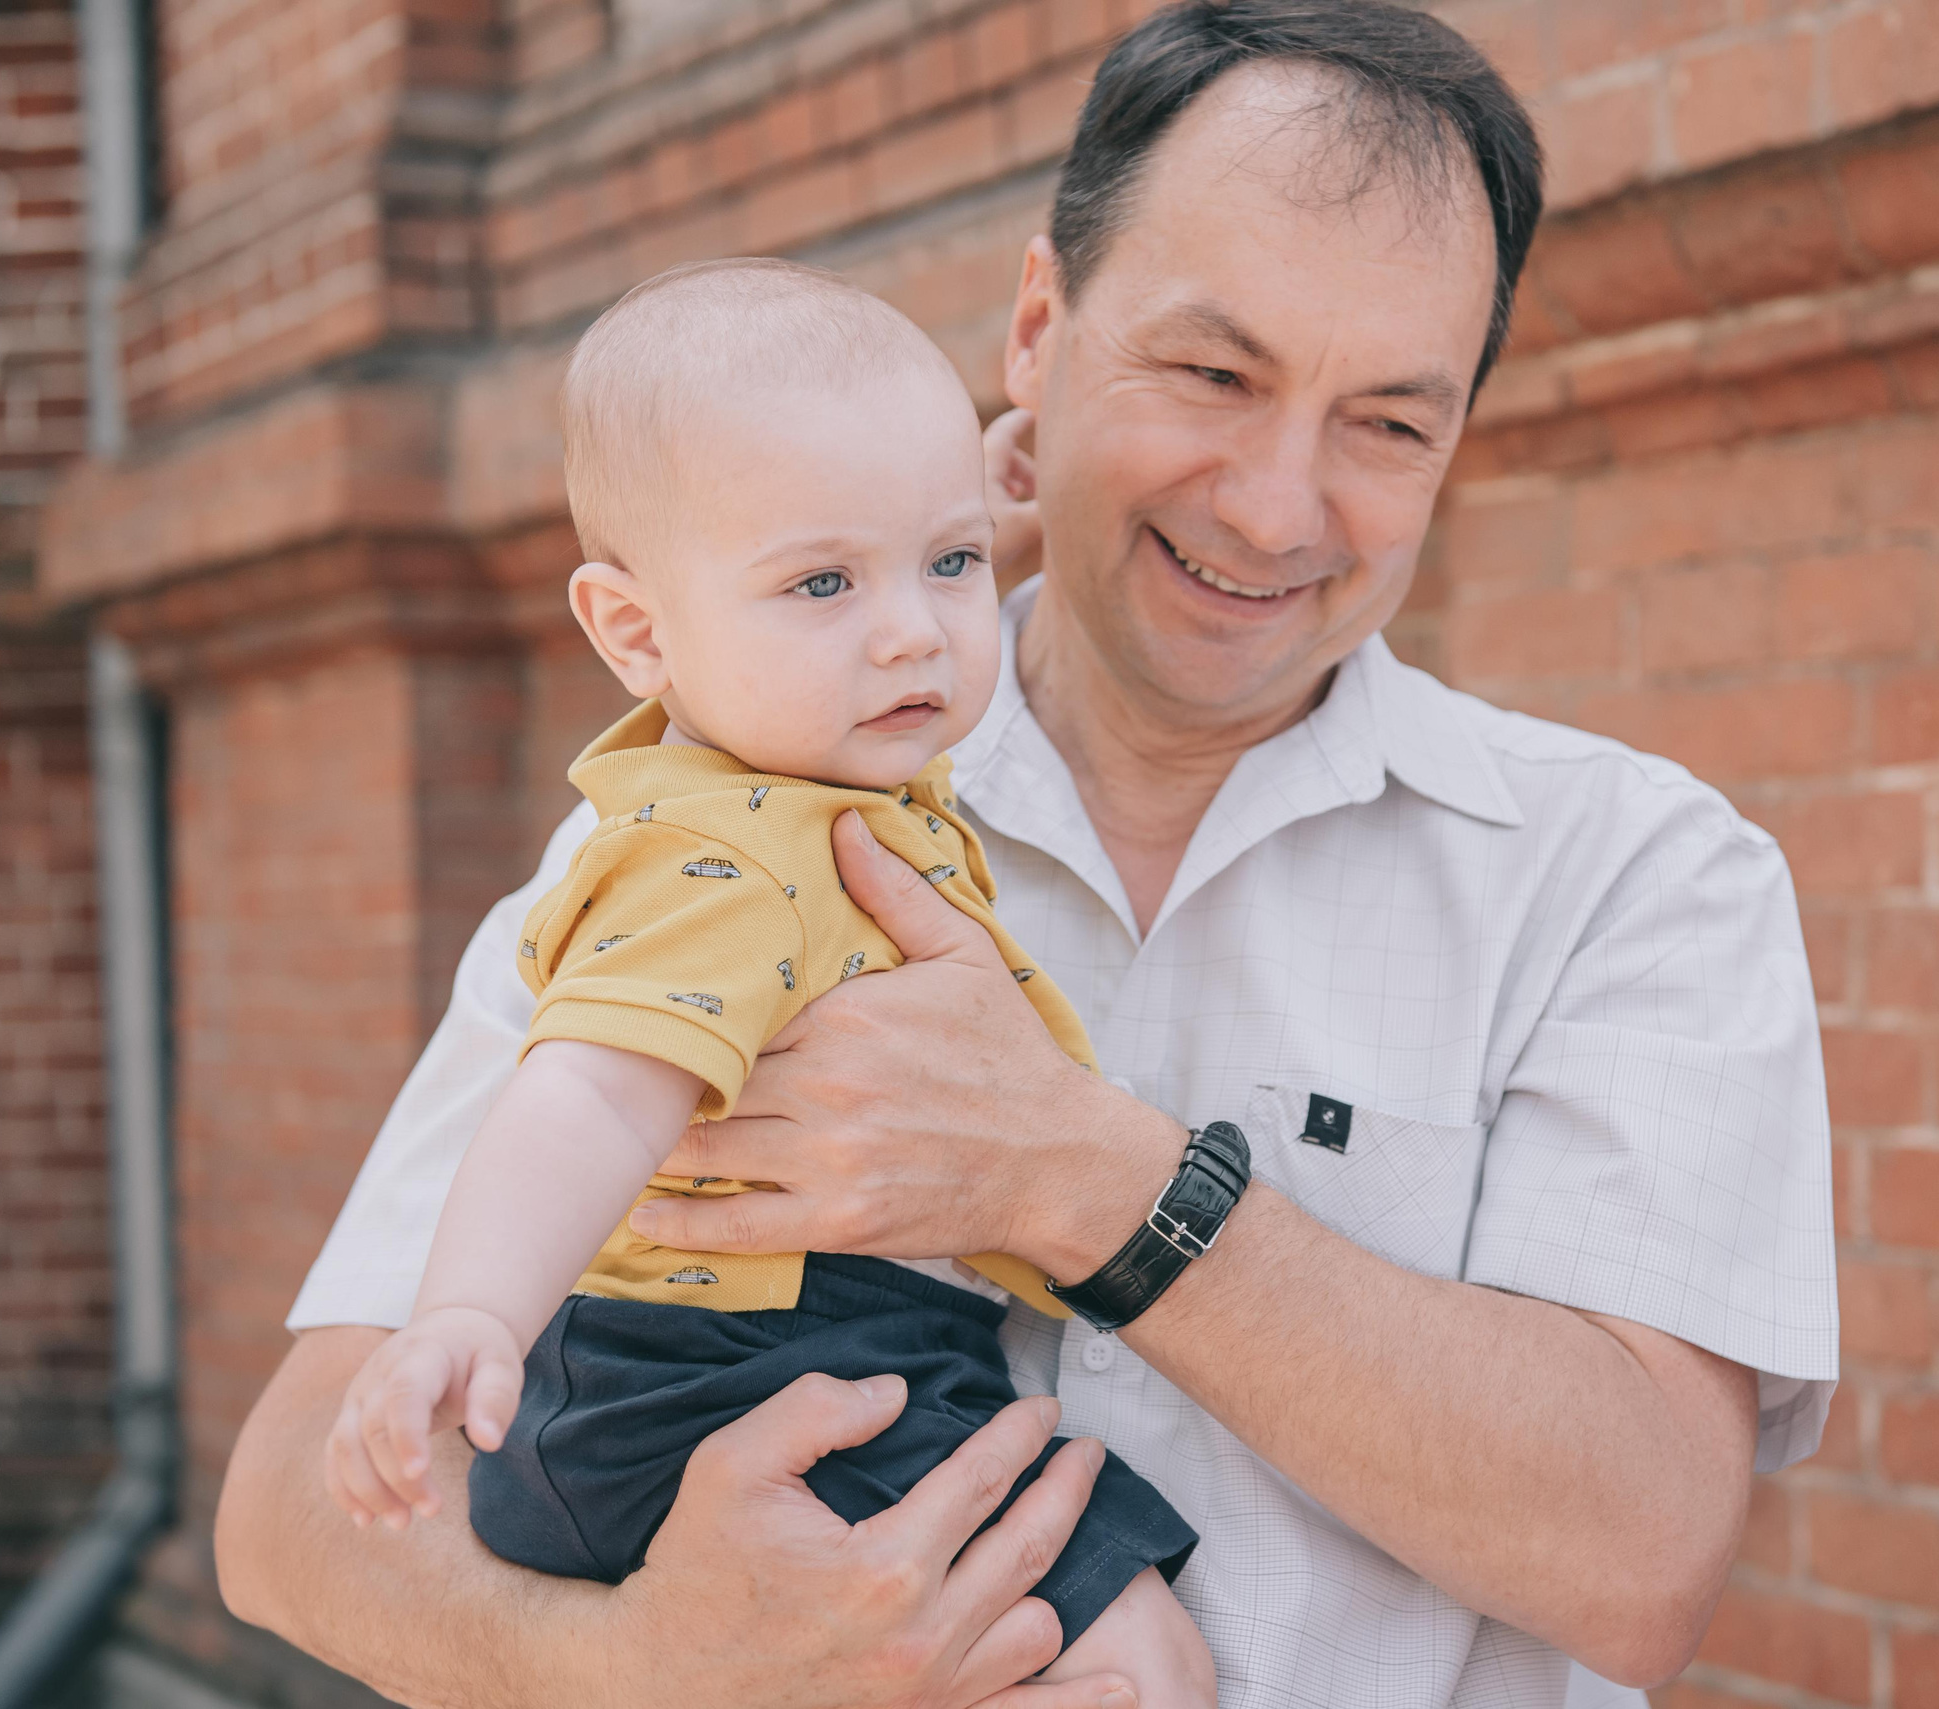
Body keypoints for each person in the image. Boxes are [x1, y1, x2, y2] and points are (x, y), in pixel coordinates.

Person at [214, 5, 1840, 1706]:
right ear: (1041, 332)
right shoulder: (697, 832)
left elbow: (1646, 1554)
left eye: (1389, 424)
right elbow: (287, 1509)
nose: (1279, 507)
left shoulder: (1634, 873)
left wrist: (1085, 1180)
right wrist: (635, 1664)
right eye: (1215, 374)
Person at [320, 258, 1209, 1701]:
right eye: (821, 581)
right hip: (731, 1365)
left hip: (800, 1351)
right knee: (1133, 1664)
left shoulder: (837, 802)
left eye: (952, 560)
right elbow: (592, 1096)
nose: (914, 627)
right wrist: (471, 1314)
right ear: (637, 632)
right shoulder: (719, 852)